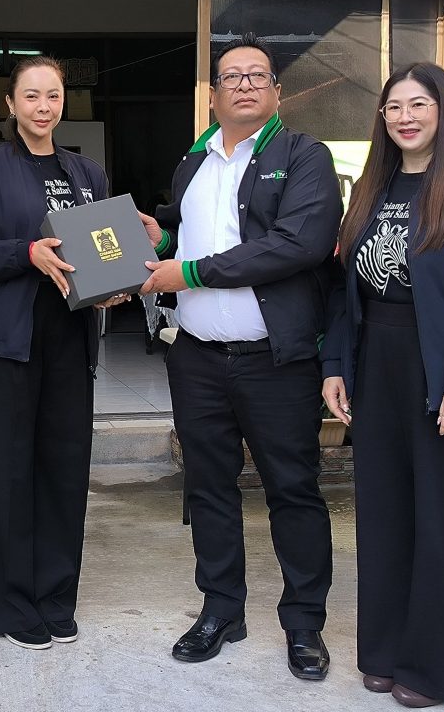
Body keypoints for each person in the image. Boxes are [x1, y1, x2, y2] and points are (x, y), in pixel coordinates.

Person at [139, 33, 343, 680]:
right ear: (214, 95)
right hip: (197, 357)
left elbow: (296, 244)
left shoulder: (304, 156)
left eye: (258, 75)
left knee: (293, 490)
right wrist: (163, 239)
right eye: (233, 76)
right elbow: (188, 235)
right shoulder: (193, 163)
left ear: (277, 91)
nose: (246, 84)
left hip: (275, 361)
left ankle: (304, 624)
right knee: (208, 488)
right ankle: (222, 610)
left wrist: (190, 272)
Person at [320, 62, 444, 707]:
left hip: (441, 372)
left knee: (443, 522)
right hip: (377, 365)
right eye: (394, 106)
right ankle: (384, 652)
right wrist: (336, 364)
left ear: (442, 112)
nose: (405, 117)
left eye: (418, 104)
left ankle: (437, 670)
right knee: (384, 514)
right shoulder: (369, 191)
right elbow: (345, 291)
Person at [0, 56, 125, 651]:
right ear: (11, 104)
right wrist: (27, 253)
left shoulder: (87, 172)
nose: (43, 106)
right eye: (31, 96)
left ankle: (55, 598)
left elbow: (104, 249)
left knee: (65, 468)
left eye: (52, 95)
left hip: (71, 340)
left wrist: (116, 283)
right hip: (10, 343)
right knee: (8, 470)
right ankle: (10, 605)